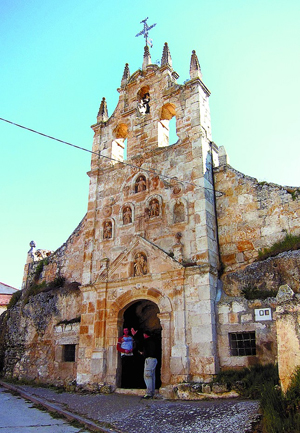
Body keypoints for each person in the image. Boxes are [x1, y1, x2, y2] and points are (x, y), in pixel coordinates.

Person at [132, 329, 157, 398]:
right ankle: (152, 392)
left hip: (149, 360)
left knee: (147, 375)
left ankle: (149, 393)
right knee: (152, 376)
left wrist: (135, 335)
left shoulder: (147, 341)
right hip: (154, 360)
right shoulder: (153, 341)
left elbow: (140, 343)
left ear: (145, 335)